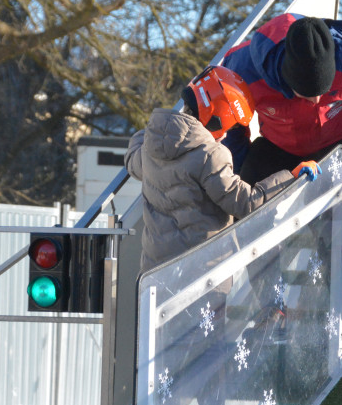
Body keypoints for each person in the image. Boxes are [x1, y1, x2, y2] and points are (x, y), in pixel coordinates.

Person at [221, 13, 342, 349]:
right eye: (305, 93)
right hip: (280, 144)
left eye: (323, 92)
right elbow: (233, 125)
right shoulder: (243, 69)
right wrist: (243, 172)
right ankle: (272, 306)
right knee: (251, 208)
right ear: (285, 76)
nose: (314, 101)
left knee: (327, 212)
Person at [125, 65, 320, 273]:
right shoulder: (210, 155)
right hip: (203, 274)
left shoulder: (150, 149)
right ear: (217, 117)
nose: (226, 134)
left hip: (156, 273)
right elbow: (247, 203)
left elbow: (131, 160)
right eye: (231, 126)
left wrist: (156, 130)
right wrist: (291, 177)